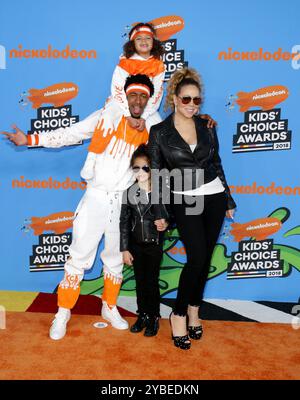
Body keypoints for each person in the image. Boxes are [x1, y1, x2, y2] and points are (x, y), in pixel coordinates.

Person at [2, 74, 168, 340]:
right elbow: (71, 133)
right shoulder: (105, 116)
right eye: (133, 94)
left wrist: (202, 124)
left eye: (143, 96)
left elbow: (177, 141)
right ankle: (63, 312)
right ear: (124, 96)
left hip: (124, 203)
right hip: (96, 198)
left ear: (149, 101)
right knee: (78, 256)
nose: (137, 100)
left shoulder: (154, 128)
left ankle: (109, 307)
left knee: (115, 259)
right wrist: (30, 140)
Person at [148, 68, 236, 350]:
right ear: (174, 98)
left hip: (214, 197)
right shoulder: (159, 132)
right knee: (196, 258)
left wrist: (229, 198)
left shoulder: (207, 125)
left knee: (205, 257)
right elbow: (157, 175)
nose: (192, 105)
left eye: (197, 100)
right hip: (185, 199)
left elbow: (217, 163)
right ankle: (178, 313)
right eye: (186, 99)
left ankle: (195, 309)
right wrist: (160, 212)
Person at [80, 22, 165, 180]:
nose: (144, 41)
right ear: (132, 43)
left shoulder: (158, 65)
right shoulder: (126, 62)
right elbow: (117, 87)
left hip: (146, 106)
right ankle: (91, 158)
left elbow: (157, 93)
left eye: (148, 38)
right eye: (139, 38)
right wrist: (127, 114)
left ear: (154, 42)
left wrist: (144, 116)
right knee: (106, 119)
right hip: (121, 102)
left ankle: (158, 172)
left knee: (159, 131)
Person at [119, 144, 169, 337]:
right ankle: (143, 315)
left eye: (146, 168)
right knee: (140, 282)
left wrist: (166, 224)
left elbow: (169, 216)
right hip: (135, 246)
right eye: (136, 168)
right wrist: (125, 248)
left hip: (154, 245)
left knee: (151, 282)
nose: (141, 172)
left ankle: (154, 316)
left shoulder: (161, 192)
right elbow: (123, 222)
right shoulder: (128, 193)